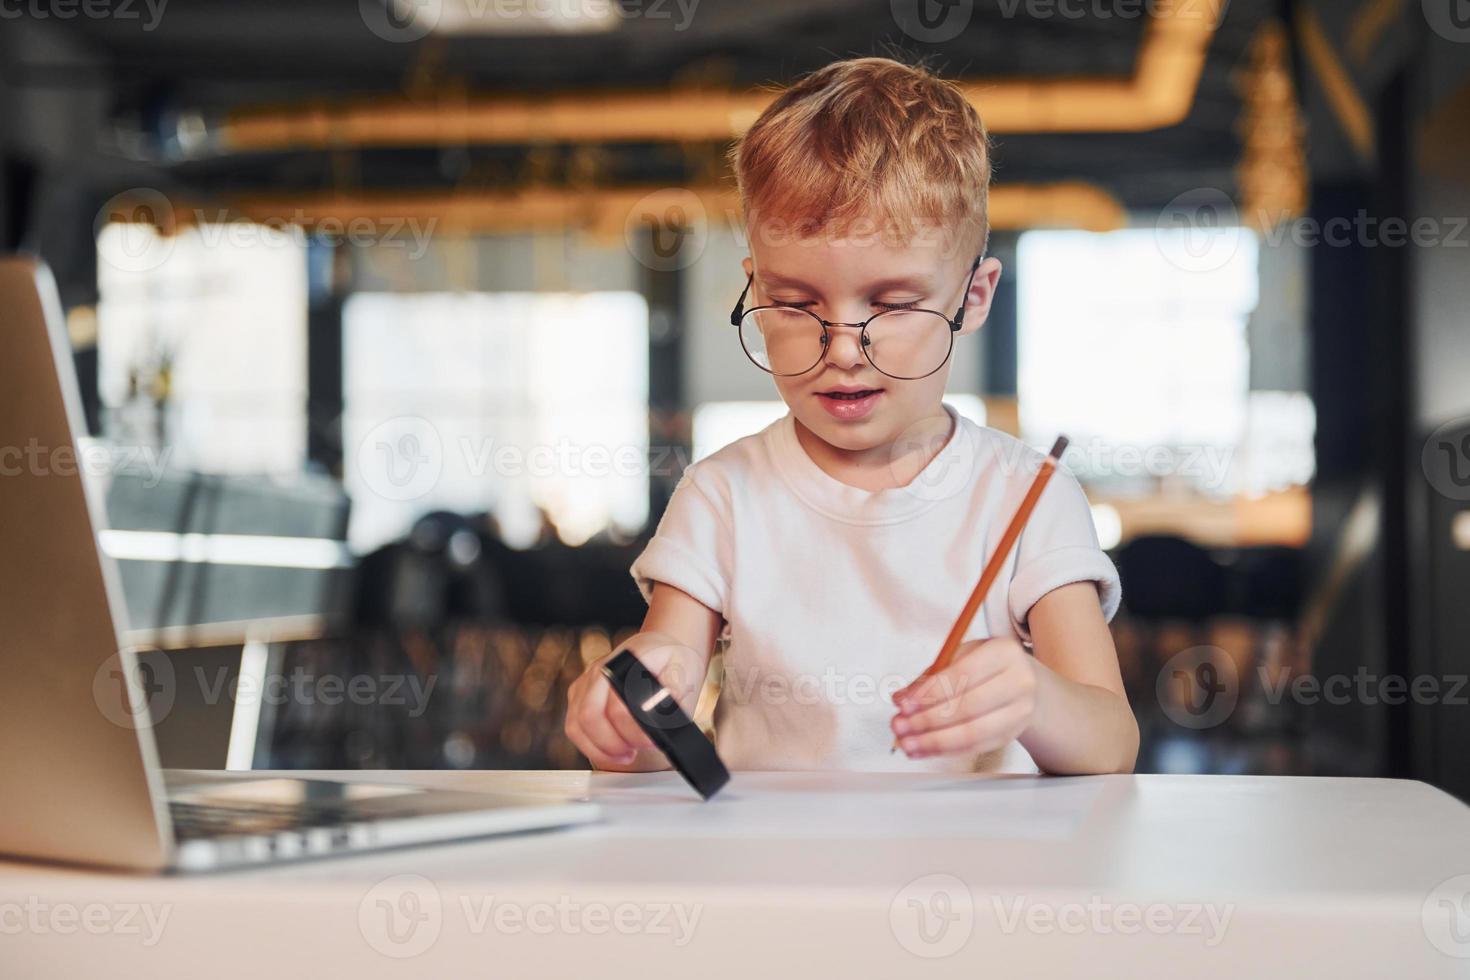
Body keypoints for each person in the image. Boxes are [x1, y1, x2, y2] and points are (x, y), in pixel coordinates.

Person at [565, 56, 1137, 775]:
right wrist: (630, 717)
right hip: (780, 882)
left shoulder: (1028, 494)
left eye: (893, 304)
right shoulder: (722, 495)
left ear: (975, 297)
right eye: (797, 303)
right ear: (754, 286)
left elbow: (1112, 744)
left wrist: (1037, 700)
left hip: (981, 881)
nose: (840, 350)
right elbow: (665, 700)